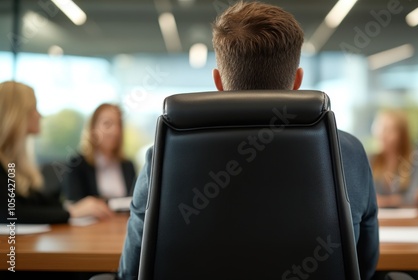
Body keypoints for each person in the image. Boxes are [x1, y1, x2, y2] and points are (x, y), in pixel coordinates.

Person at [117, 2, 379, 280]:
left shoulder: (164, 157)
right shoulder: (348, 152)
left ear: (218, 82)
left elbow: (132, 270)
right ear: (298, 80)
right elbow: (362, 267)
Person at [0, 81, 114, 224]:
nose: (40, 115)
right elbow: (11, 212)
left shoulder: (14, 163)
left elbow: (34, 202)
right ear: (16, 115)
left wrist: (75, 207)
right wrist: (72, 212)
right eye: (34, 108)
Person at [62, 103, 136, 203]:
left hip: (123, 218)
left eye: (119, 124)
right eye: (107, 124)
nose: (115, 131)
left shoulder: (128, 165)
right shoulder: (77, 163)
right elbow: (73, 203)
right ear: (93, 129)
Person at [370, 110, 418, 208]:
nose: (382, 135)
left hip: (407, 218)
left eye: (389, 130)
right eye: (380, 128)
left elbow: (415, 196)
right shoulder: (371, 160)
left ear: (401, 135)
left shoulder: (415, 160)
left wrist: (385, 201)